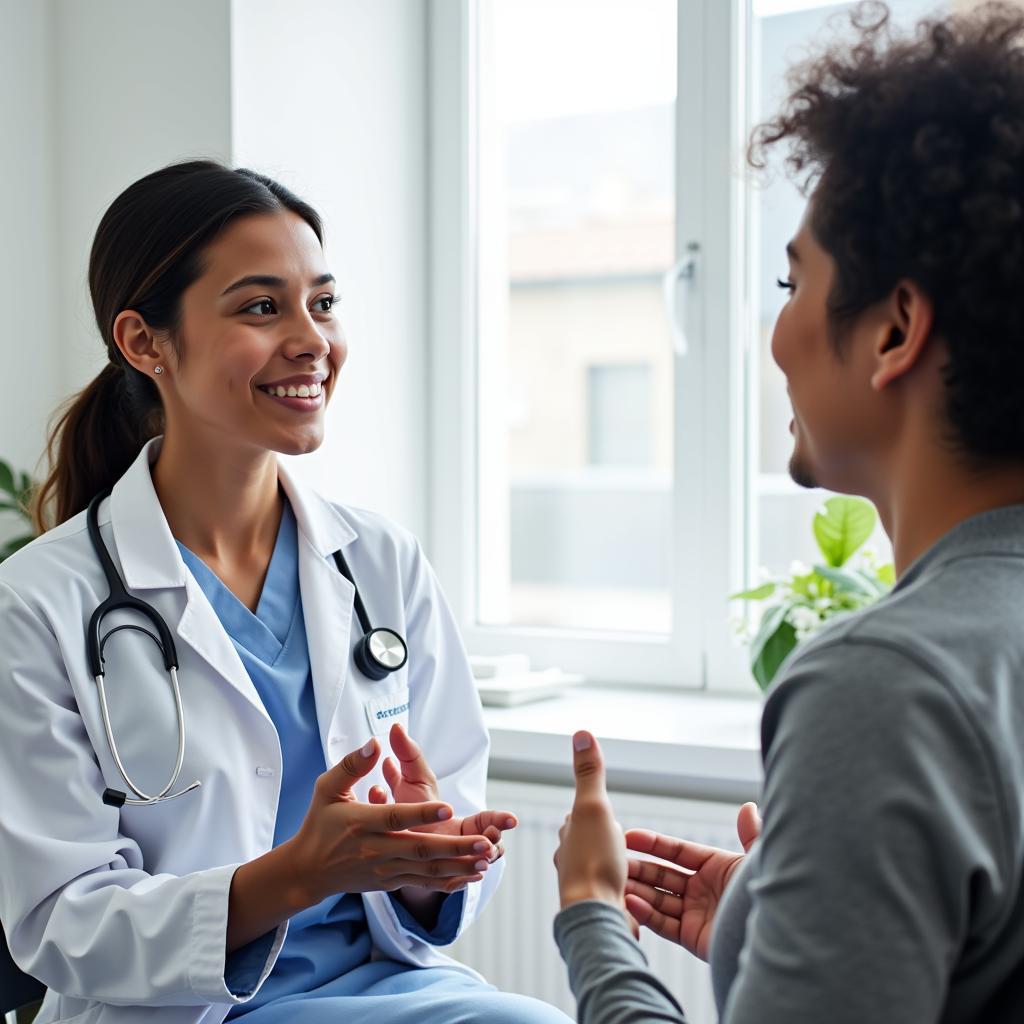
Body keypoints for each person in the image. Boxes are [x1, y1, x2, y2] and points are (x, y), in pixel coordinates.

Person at [0, 161, 568, 1024]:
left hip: (388, 986)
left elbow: (452, 801)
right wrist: (298, 874)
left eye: (323, 303)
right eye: (262, 308)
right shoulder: (38, 604)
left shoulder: (379, 561)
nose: (312, 339)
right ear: (145, 342)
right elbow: (61, 921)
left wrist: (427, 854)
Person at [551, 3, 1024, 1021]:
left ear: (893, 329)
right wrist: (772, 939)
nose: (772, 337)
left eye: (789, 279)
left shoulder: (887, 688)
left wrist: (593, 925)